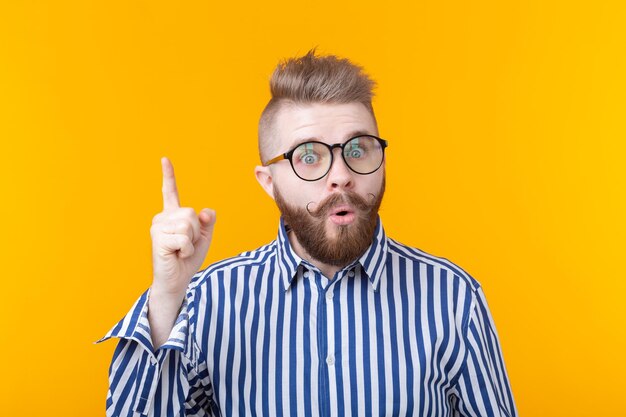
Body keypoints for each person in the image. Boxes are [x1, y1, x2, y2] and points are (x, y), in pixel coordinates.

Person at [98, 50, 517, 417]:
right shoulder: (207, 300)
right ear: (268, 181)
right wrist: (166, 296)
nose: (341, 177)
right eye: (310, 156)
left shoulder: (454, 297)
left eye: (358, 149)